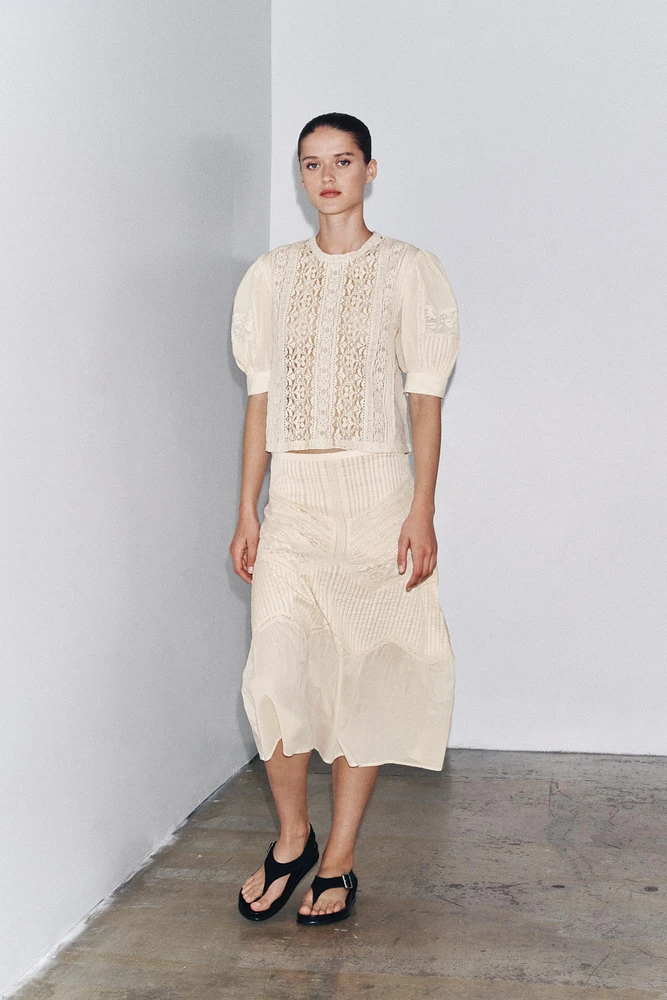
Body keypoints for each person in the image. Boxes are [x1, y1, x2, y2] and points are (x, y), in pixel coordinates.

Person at [229, 112, 460, 925]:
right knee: (275, 675)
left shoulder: (407, 271)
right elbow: (260, 404)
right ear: (299, 176)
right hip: (293, 502)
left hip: (376, 501)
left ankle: (339, 858)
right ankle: (293, 837)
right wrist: (247, 508)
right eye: (311, 164)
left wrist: (421, 509)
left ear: (369, 170)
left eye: (342, 161)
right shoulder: (271, 276)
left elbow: (424, 404)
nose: (326, 177)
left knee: (363, 680)